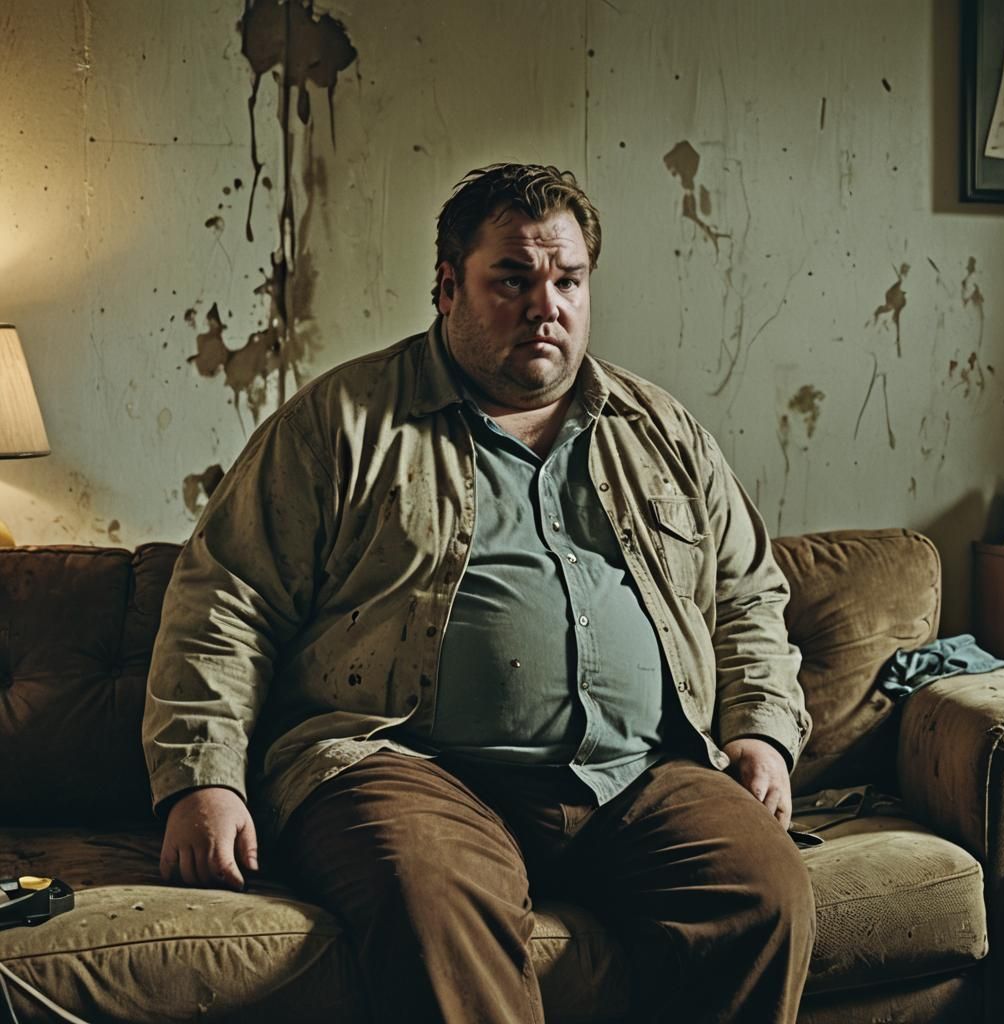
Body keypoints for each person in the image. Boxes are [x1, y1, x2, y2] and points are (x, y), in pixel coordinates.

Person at [143, 162, 815, 1023]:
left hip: (640, 772)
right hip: (404, 767)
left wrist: (760, 733)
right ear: (448, 285)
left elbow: (748, 595)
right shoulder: (340, 423)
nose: (547, 305)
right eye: (514, 278)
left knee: (764, 888)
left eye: (567, 280)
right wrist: (205, 779)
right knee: (432, 893)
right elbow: (225, 599)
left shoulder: (662, 431)